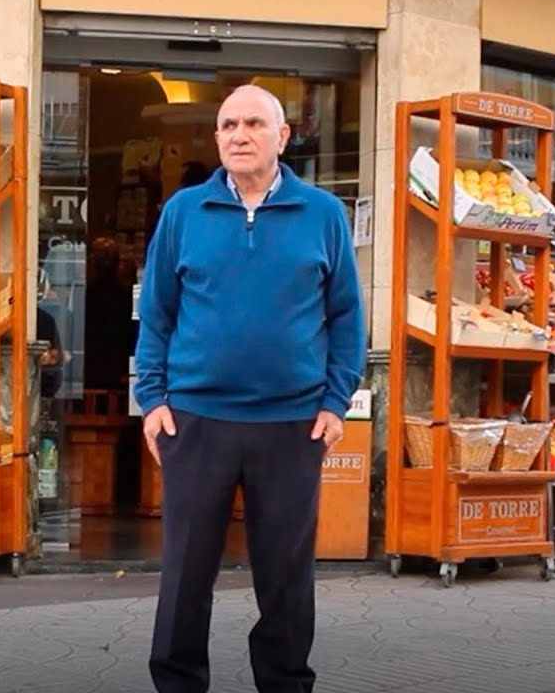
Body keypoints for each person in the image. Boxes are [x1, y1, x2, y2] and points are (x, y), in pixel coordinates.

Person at [134, 84, 366, 693]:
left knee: (286, 573)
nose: (240, 134)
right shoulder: (184, 211)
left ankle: (286, 684)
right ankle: (178, 683)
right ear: (217, 138)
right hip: (194, 419)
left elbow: (347, 316)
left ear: (282, 137)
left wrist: (335, 402)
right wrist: (152, 400)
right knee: (186, 571)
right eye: (229, 124)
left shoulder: (323, 214)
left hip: (292, 425)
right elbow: (157, 313)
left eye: (254, 124)